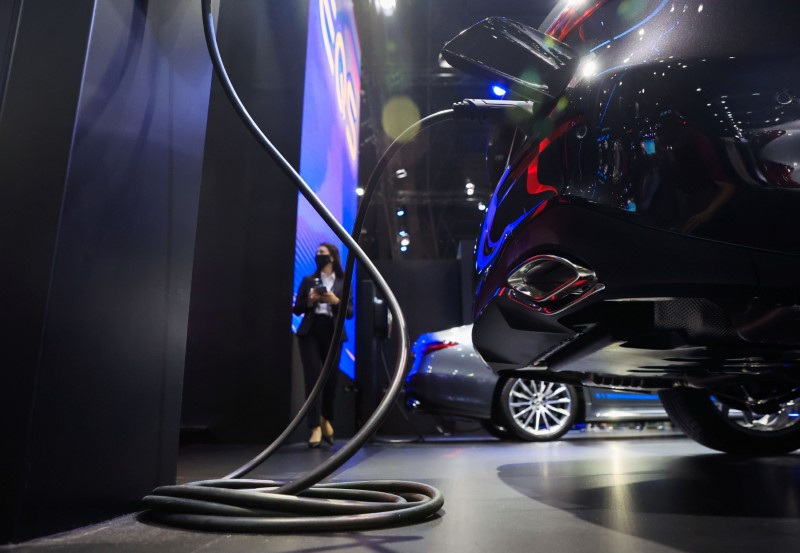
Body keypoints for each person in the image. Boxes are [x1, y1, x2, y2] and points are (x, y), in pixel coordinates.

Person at [293, 243, 353, 448]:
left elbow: (350, 312)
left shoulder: (343, 282)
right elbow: (297, 308)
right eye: (317, 252)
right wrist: (310, 300)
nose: (318, 256)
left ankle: (326, 418)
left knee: (331, 380)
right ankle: (314, 428)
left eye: (323, 253)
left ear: (333, 257)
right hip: (310, 332)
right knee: (312, 379)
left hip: (333, 333)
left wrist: (336, 300)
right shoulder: (308, 280)